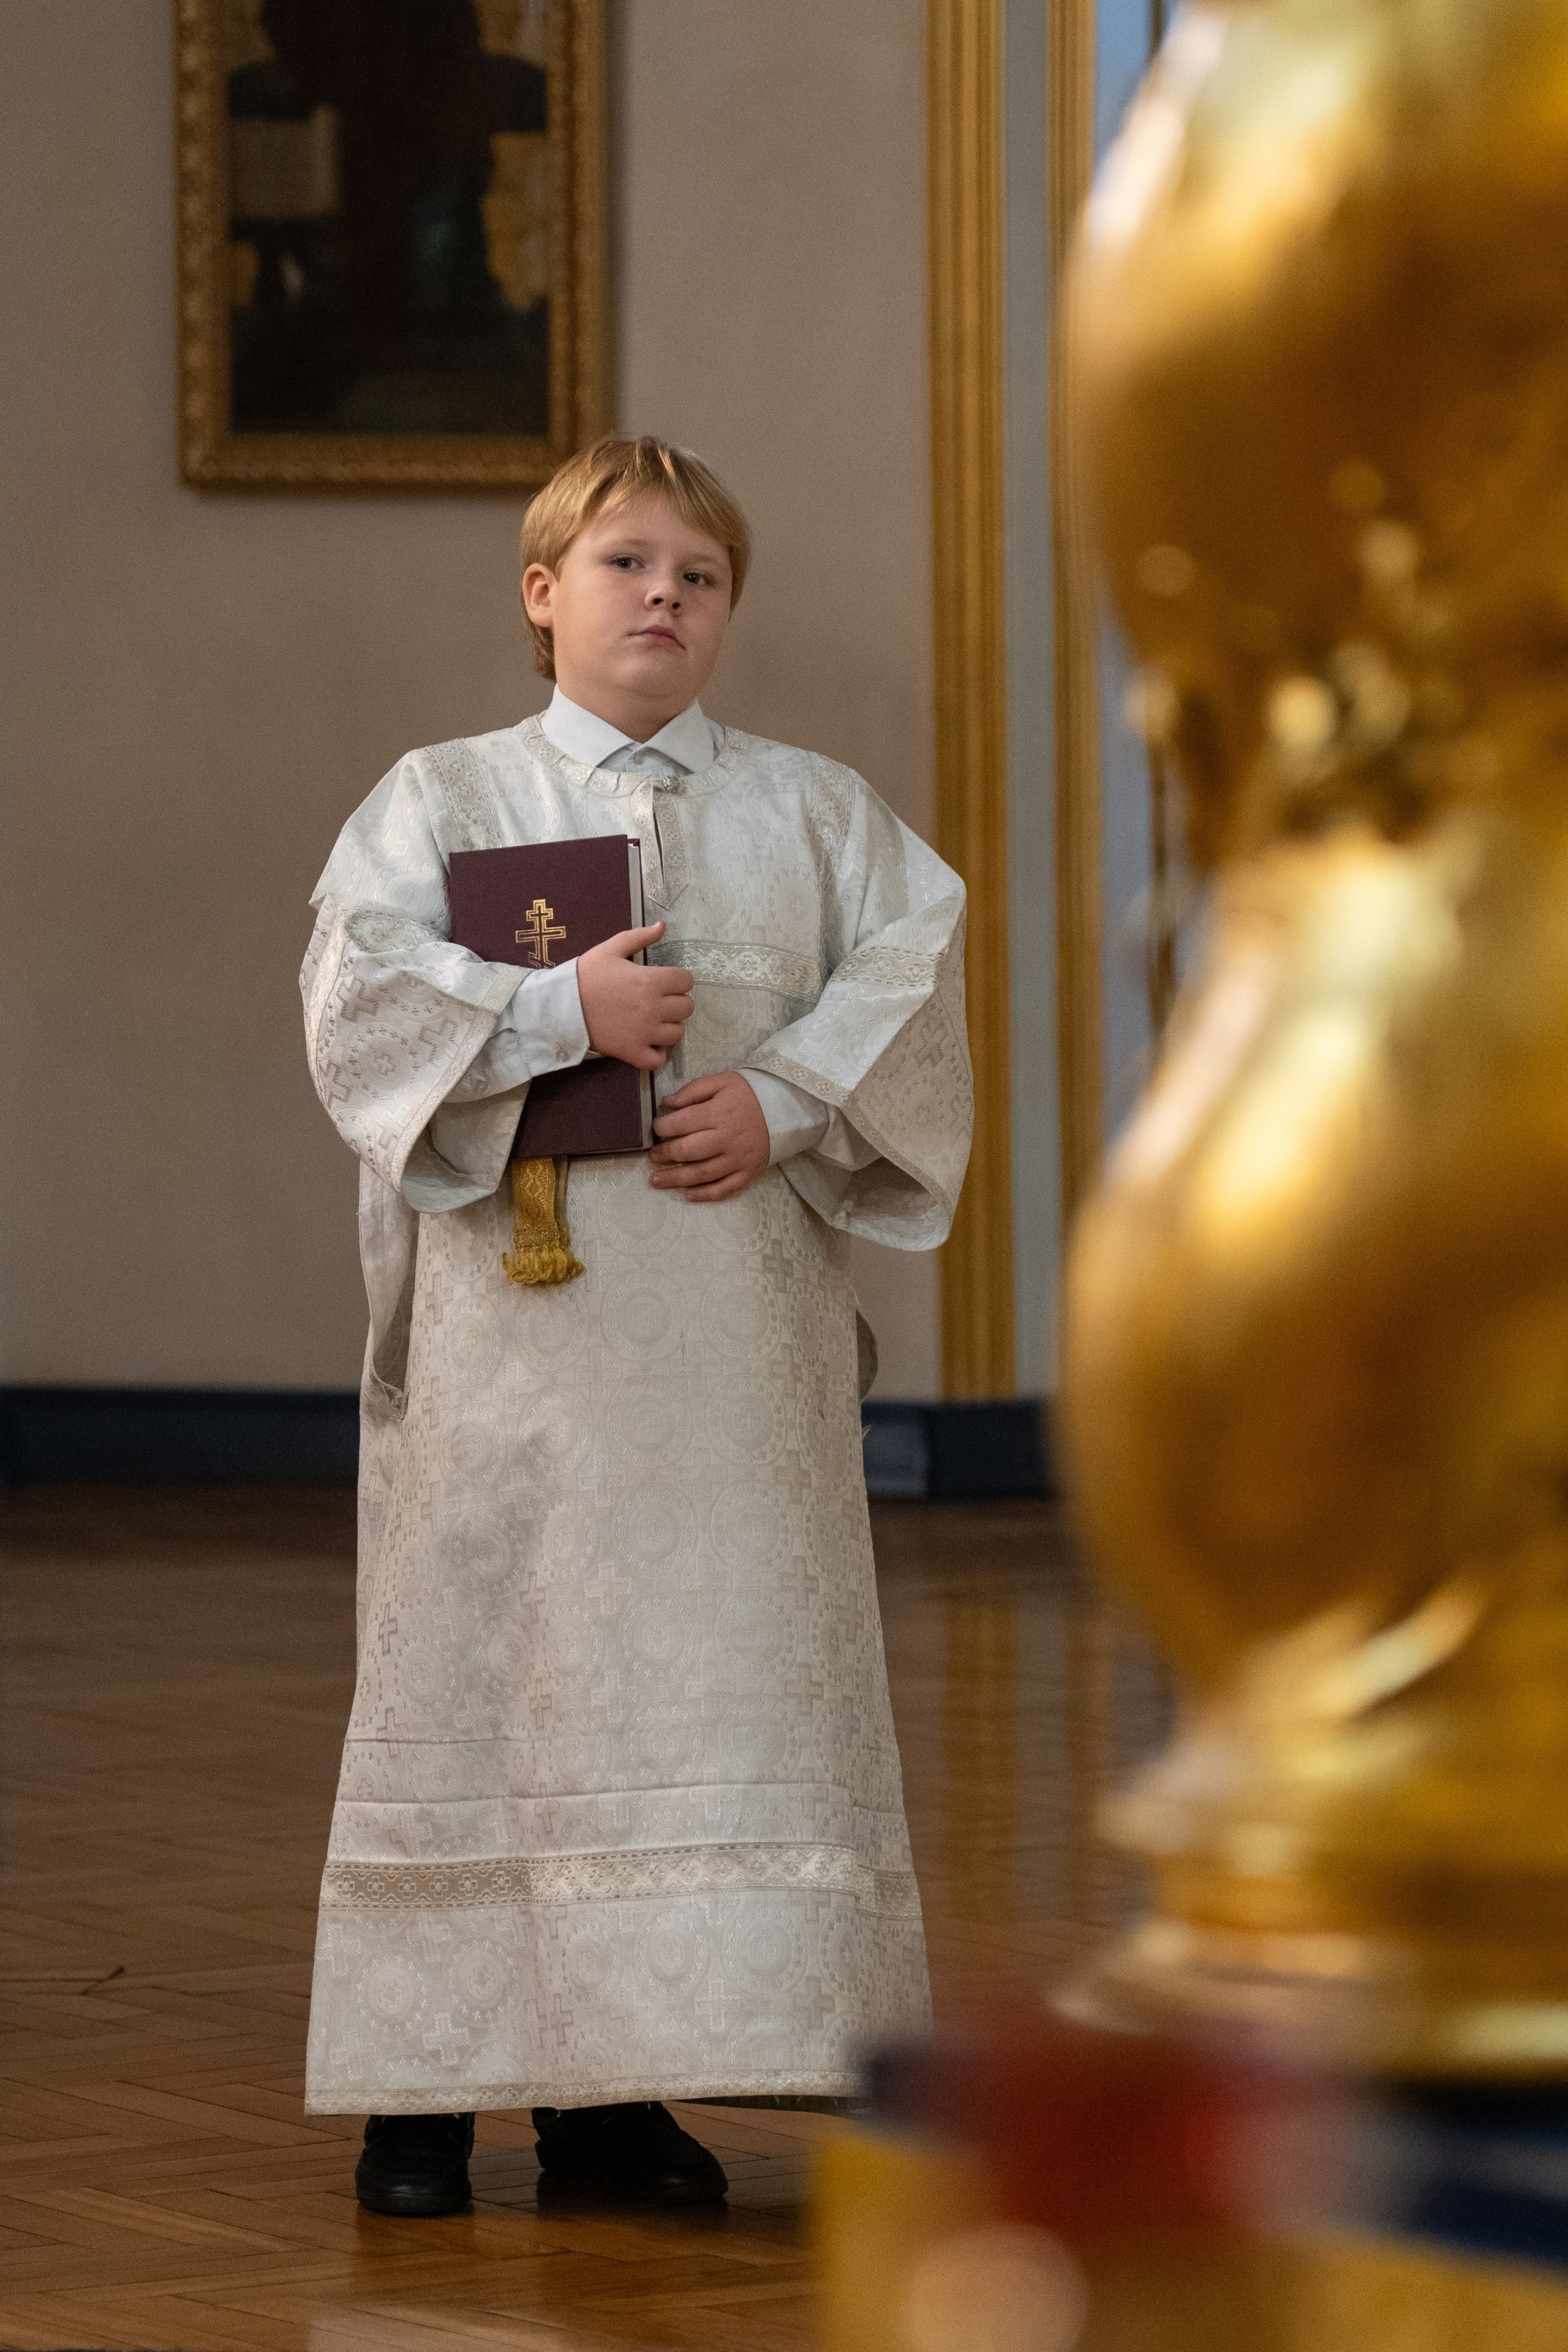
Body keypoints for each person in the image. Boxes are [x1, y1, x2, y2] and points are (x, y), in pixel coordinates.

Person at [300, 434, 973, 2217]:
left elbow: (914, 962)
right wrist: (552, 1009)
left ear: (729, 609)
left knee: (693, 1679)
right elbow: (358, 999)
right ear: (542, 594)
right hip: (518, 1360)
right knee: (487, 1669)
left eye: (698, 573)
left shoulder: (817, 813)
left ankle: (612, 2101)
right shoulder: (443, 798)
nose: (661, 595)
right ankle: (421, 2102)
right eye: (623, 564)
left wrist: (795, 1101)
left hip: (728, 1350)